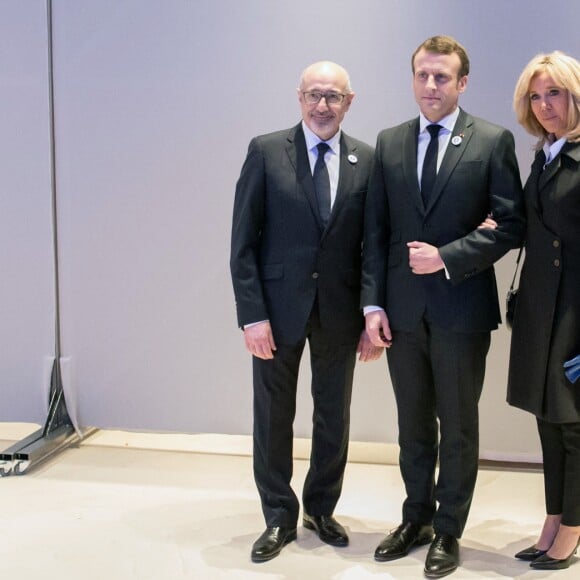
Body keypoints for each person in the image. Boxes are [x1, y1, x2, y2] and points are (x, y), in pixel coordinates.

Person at [361, 36, 524, 577]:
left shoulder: (491, 141)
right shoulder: (389, 142)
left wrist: (448, 256)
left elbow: (512, 223)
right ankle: (416, 518)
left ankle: (449, 531)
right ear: (413, 79)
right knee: (412, 426)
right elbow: (377, 233)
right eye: (423, 76)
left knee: (457, 426)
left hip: (461, 312)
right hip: (402, 314)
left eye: (442, 77)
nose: (431, 86)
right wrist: (373, 305)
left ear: (462, 83)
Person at [230, 61, 381, 563]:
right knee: (273, 416)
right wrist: (252, 315)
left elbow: (371, 247)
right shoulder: (267, 151)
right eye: (314, 95)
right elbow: (243, 243)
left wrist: (368, 314)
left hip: (339, 314)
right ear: (299, 98)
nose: (323, 105)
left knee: (333, 415)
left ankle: (321, 506)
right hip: (275, 313)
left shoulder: (367, 159)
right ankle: (278, 515)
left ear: (349, 101)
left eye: (333, 96)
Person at [507, 51, 580, 571]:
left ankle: (573, 525)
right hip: (541, 308)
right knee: (547, 420)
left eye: (554, 92)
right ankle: (554, 517)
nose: (545, 104)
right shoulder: (545, 155)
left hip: (577, 310)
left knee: (574, 425)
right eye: (536, 95)